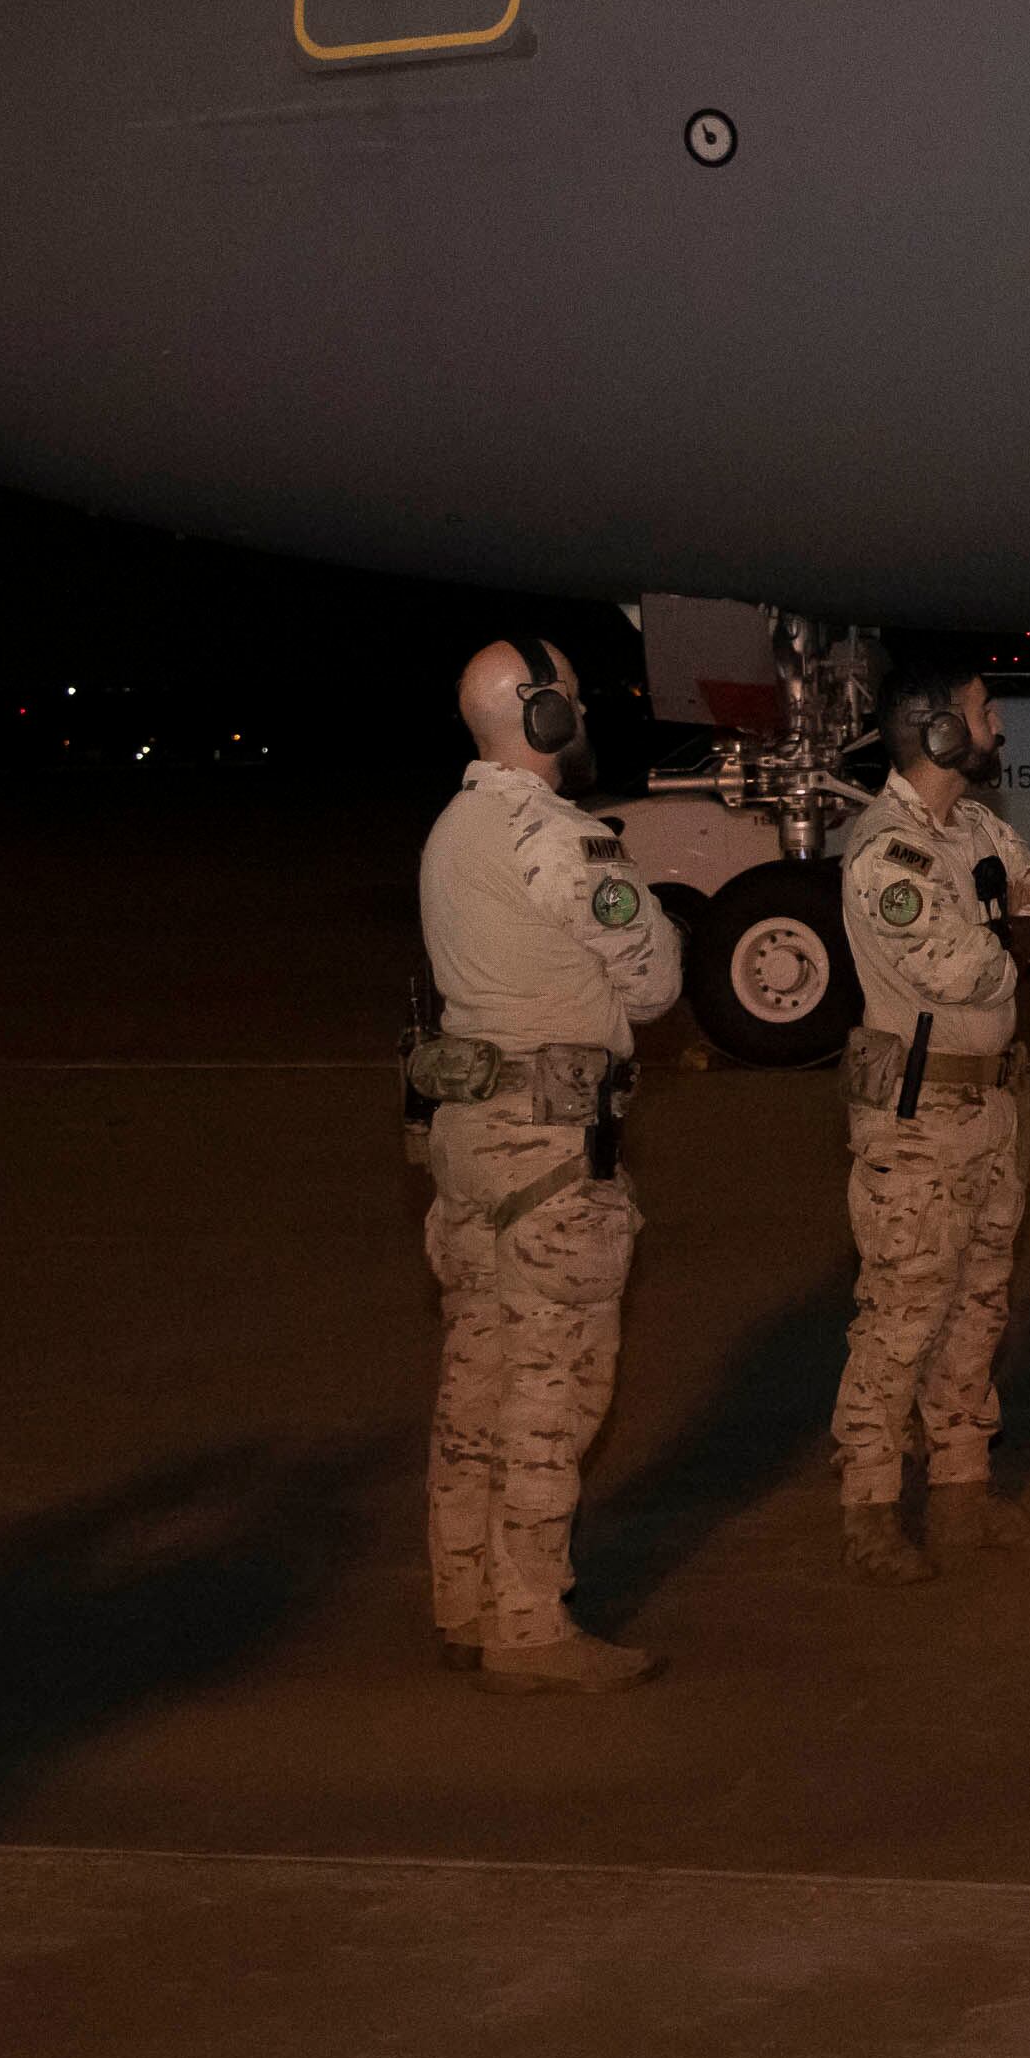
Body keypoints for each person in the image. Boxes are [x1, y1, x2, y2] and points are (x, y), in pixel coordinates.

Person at [406, 636, 682, 1692]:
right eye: (568, 695)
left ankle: (467, 1596)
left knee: (477, 1370)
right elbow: (653, 982)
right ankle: (530, 1624)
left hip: (472, 1140)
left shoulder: (453, 829)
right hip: (551, 1148)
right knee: (553, 1383)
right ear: (543, 715)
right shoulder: (559, 840)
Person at [829, 660, 1030, 1579]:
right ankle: (868, 1512)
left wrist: (1025, 923)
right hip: (918, 1119)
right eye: (983, 712)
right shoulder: (885, 852)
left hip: (993, 1108)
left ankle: (965, 1495)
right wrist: (1010, 929)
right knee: (902, 1313)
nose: (998, 726)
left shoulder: (975, 826)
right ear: (938, 732)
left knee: (978, 1309)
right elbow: (961, 968)